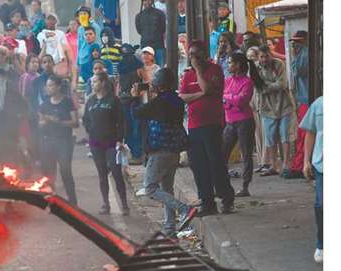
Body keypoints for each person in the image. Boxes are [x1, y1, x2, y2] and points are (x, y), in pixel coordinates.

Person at [132, 68, 197, 236]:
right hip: (174, 150)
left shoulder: (160, 102)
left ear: (160, 86)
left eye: (154, 84)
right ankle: (170, 229)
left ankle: (185, 209)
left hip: (160, 151)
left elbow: (137, 113)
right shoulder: (176, 100)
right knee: (167, 190)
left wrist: (135, 96)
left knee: (150, 188)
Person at [179, 40, 234, 215]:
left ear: (203, 54)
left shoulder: (214, 70)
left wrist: (199, 72)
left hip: (212, 124)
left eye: (196, 54)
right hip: (194, 125)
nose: (193, 57)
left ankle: (226, 198)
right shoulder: (187, 75)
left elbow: (208, 88)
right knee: (199, 166)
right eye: (190, 54)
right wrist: (200, 94)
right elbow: (182, 96)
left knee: (216, 163)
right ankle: (207, 201)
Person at [83, 72, 130, 216]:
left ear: (103, 83)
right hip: (96, 142)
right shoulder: (90, 100)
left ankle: (124, 203)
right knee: (102, 174)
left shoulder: (113, 100)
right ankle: (106, 203)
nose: (92, 84)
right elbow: (85, 119)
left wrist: (120, 139)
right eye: (92, 82)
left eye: (95, 81)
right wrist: (90, 131)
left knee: (116, 173)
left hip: (112, 142)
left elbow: (121, 121)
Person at [221, 52, 264, 197]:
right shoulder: (228, 80)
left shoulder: (247, 82)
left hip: (244, 121)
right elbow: (229, 101)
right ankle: (222, 184)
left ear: (238, 65)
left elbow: (241, 101)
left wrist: (228, 99)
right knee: (222, 154)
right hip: (230, 121)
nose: (229, 65)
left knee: (246, 154)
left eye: (230, 62)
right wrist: (231, 100)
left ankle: (245, 186)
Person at [38, 75, 79, 204]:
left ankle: (73, 202)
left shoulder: (67, 102)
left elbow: (75, 122)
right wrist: (45, 122)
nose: (48, 88)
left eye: (51, 85)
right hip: (48, 140)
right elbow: (40, 123)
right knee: (49, 173)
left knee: (65, 171)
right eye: (47, 85)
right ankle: (52, 201)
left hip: (64, 141)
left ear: (58, 87)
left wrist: (60, 122)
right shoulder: (44, 104)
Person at [256, 45, 295, 178]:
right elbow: (258, 87)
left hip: (284, 105)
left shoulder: (279, 64)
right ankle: (274, 165)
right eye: (262, 56)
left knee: (285, 136)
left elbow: (282, 84)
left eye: (267, 56)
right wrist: (269, 86)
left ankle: (286, 165)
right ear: (258, 57)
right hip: (267, 107)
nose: (264, 59)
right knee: (270, 137)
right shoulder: (256, 68)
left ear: (271, 55)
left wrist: (266, 86)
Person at [300, 96, 323, 263]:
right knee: (322, 205)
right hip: (322, 164)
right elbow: (311, 132)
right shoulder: (319, 104)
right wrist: (306, 161)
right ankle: (321, 245)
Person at [287, 30, 309, 179]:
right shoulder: (303, 53)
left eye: (297, 42)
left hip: (306, 99)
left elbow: (299, 72)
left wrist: (294, 57)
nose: (295, 45)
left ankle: (300, 165)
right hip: (304, 98)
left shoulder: (304, 54)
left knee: (303, 134)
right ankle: (299, 164)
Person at [117, 43, 144, 164]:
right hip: (124, 100)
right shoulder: (120, 66)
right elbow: (119, 83)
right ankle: (133, 153)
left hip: (135, 100)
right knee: (128, 127)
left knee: (136, 127)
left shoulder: (138, 66)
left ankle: (138, 153)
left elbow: (145, 80)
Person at [37, 13, 73, 78]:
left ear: (56, 21)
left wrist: (69, 68)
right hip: (46, 65)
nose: (50, 21)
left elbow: (66, 50)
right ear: (45, 21)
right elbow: (41, 49)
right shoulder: (41, 34)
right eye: (48, 19)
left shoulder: (61, 33)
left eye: (52, 19)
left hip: (59, 64)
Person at [135, 0, 166, 66]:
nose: (147, 2)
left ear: (152, 1)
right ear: (142, 2)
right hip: (145, 46)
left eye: (149, 0)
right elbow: (139, 31)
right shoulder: (138, 16)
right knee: (147, 68)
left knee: (159, 68)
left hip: (158, 46)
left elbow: (163, 28)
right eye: (145, 0)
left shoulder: (160, 14)